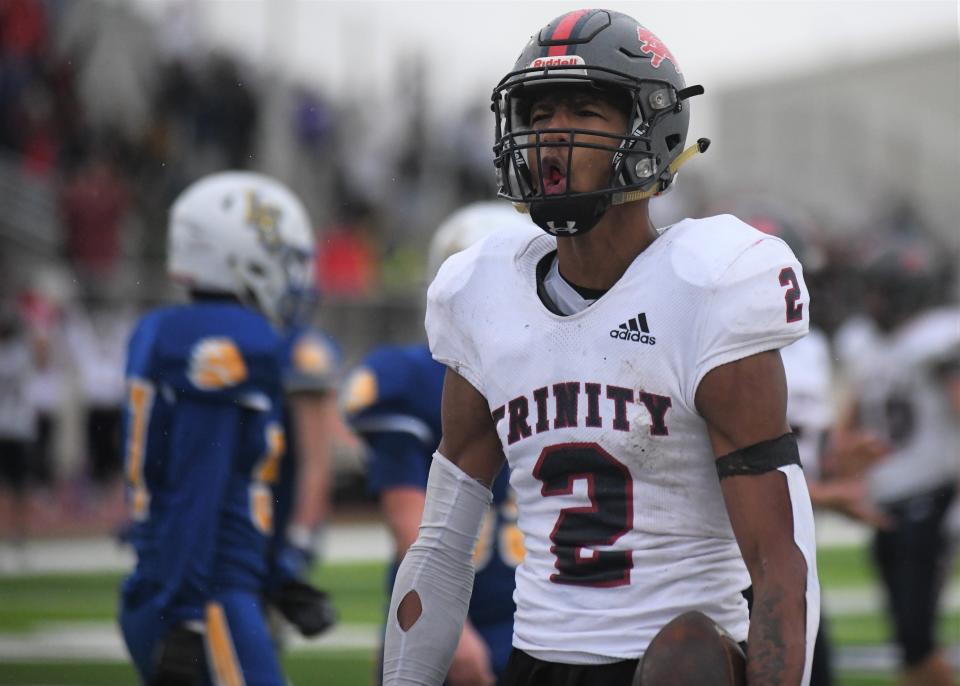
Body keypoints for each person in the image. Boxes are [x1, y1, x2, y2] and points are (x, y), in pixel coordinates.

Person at [382, 9, 819, 686]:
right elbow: (440, 546)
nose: (550, 137)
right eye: (537, 114)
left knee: (686, 663)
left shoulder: (711, 284)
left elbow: (780, 560)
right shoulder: (483, 292)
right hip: (538, 662)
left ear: (650, 131)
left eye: (583, 111)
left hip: (673, 666)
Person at [118, 171, 315, 686]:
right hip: (206, 597)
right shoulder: (230, 338)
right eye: (284, 259)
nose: (293, 278)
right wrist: (186, 615)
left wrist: (275, 576)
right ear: (238, 254)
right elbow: (195, 483)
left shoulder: (166, 329)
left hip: (187, 582)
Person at [344, 202, 534, 685]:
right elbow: (406, 513)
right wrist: (451, 629)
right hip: (449, 612)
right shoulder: (415, 377)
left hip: (533, 617)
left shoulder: (544, 371)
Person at [835, 231, 958, 686]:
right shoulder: (863, 341)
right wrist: (840, 464)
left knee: (915, 636)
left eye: (882, 291)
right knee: (906, 635)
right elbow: (851, 415)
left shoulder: (938, 338)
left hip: (928, 494)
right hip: (886, 497)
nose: (873, 301)